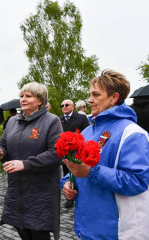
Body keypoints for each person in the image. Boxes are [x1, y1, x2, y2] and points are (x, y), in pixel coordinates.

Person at [61, 70, 149, 240]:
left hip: (116, 231)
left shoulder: (132, 133)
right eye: (89, 94)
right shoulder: (87, 131)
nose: (89, 100)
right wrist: (67, 183)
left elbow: (138, 181)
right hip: (86, 228)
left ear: (114, 98)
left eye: (95, 94)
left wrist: (91, 172)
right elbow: (77, 169)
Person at [0, 82, 63, 240]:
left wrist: (25, 164)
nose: (22, 99)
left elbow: (56, 153)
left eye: (28, 96)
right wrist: (0, 152)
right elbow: (3, 144)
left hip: (40, 189)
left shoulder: (52, 121)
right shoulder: (12, 122)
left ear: (40, 101)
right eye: (21, 96)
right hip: (16, 187)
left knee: (38, 232)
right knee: (20, 227)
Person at [59, 99, 89, 208]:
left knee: (78, 174)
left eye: (67, 105)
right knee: (67, 175)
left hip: (77, 152)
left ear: (72, 107)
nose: (64, 107)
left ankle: (81, 196)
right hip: (65, 152)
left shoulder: (81, 118)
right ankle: (69, 198)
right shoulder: (59, 119)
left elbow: (87, 133)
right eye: (62, 105)